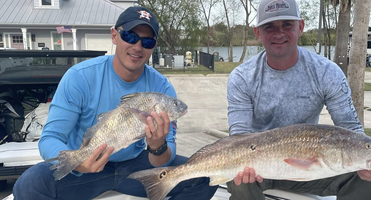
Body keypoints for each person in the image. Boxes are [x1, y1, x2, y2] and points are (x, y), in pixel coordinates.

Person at [13, 6, 218, 200]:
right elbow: (51, 137)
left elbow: (164, 158)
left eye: (147, 42)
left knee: (205, 176)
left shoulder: (162, 89)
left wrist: (157, 146)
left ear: (153, 47)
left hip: (137, 165)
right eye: (130, 36)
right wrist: (78, 163)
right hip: (86, 166)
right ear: (114, 36)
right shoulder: (79, 77)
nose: (137, 47)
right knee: (30, 183)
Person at [226, 0, 371, 199]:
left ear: (300, 27)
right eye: (269, 27)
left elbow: (350, 128)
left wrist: (366, 158)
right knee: (239, 177)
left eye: (287, 24)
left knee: (362, 176)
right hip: (259, 167)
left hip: (310, 165)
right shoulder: (242, 77)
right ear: (258, 33)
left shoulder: (327, 72)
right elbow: (239, 137)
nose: (279, 33)